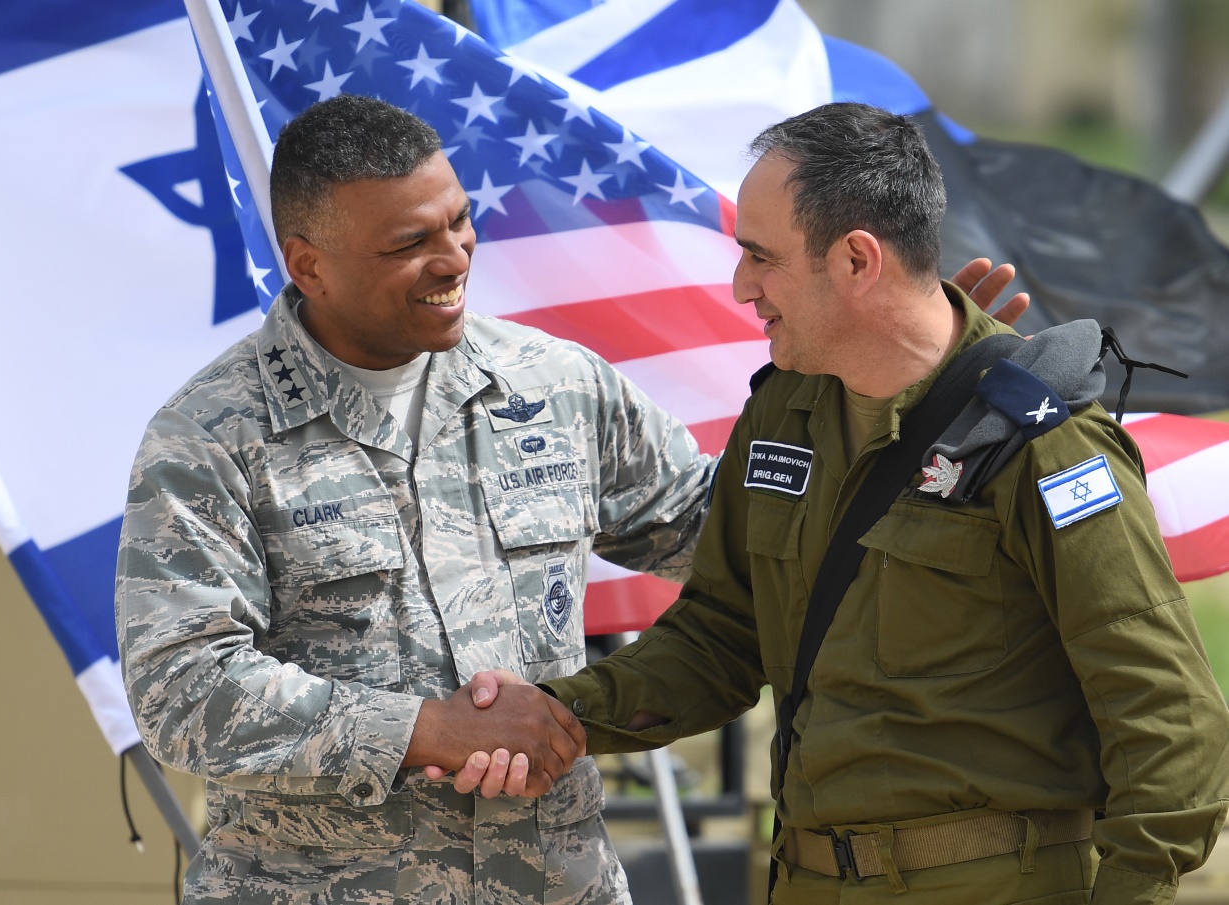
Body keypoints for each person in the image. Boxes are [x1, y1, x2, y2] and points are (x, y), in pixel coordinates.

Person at [116, 93, 1028, 904]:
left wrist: (907, 384)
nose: (453, 258)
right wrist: (423, 729)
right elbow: (179, 687)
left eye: (459, 223)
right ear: (308, 266)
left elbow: (740, 534)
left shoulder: (553, 386)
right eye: (409, 245)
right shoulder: (212, 436)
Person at [464, 103, 1229, 904]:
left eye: (762, 257)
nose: (740, 286)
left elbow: (1169, 720)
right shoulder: (782, 413)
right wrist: (560, 712)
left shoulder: (1041, 442)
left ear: (857, 260)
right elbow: (724, 633)